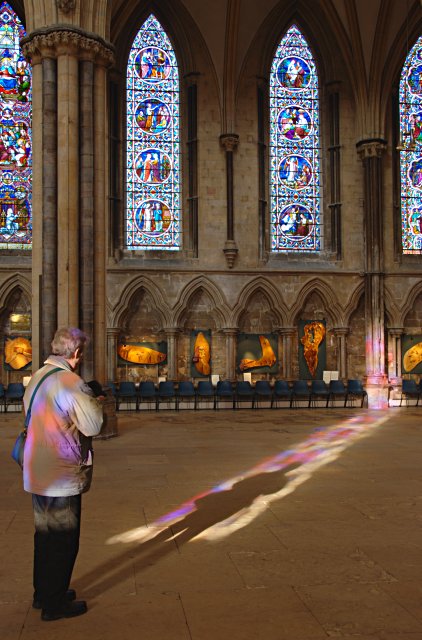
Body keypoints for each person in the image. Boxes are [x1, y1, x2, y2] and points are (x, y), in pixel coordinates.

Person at [23, 327, 103, 621]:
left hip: (37, 468)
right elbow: (93, 426)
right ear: (77, 352)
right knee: (63, 539)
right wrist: (96, 401)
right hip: (60, 473)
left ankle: (44, 592)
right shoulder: (71, 382)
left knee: (45, 536)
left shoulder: (38, 377)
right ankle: (54, 605)